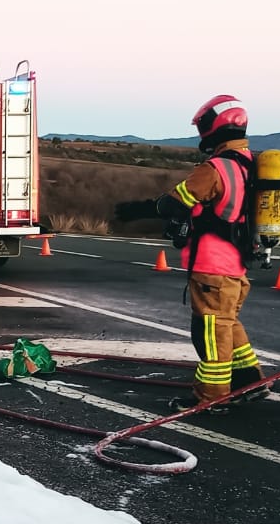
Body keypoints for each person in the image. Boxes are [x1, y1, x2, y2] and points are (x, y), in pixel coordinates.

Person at [115, 94, 269, 412]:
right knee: (227, 323)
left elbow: (175, 202)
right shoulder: (250, 165)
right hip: (236, 263)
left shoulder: (216, 169)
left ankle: (211, 397)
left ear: (214, 128)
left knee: (210, 333)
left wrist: (138, 209)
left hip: (213, 265)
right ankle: (248, 381)